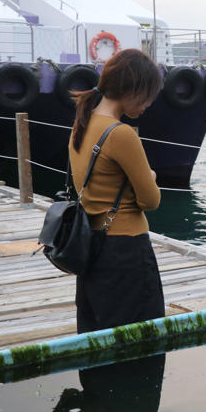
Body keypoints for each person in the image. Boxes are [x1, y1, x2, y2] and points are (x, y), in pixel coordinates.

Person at [69, 49, 163, 332]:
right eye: (147, 95)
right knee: (139, 337)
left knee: (95, 335)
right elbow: (151, 199)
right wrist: (150, 176)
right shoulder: (121, 133)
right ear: (132, 89)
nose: (148, 104)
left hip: (91, 247)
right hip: (126, 251)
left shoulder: (82, 123)